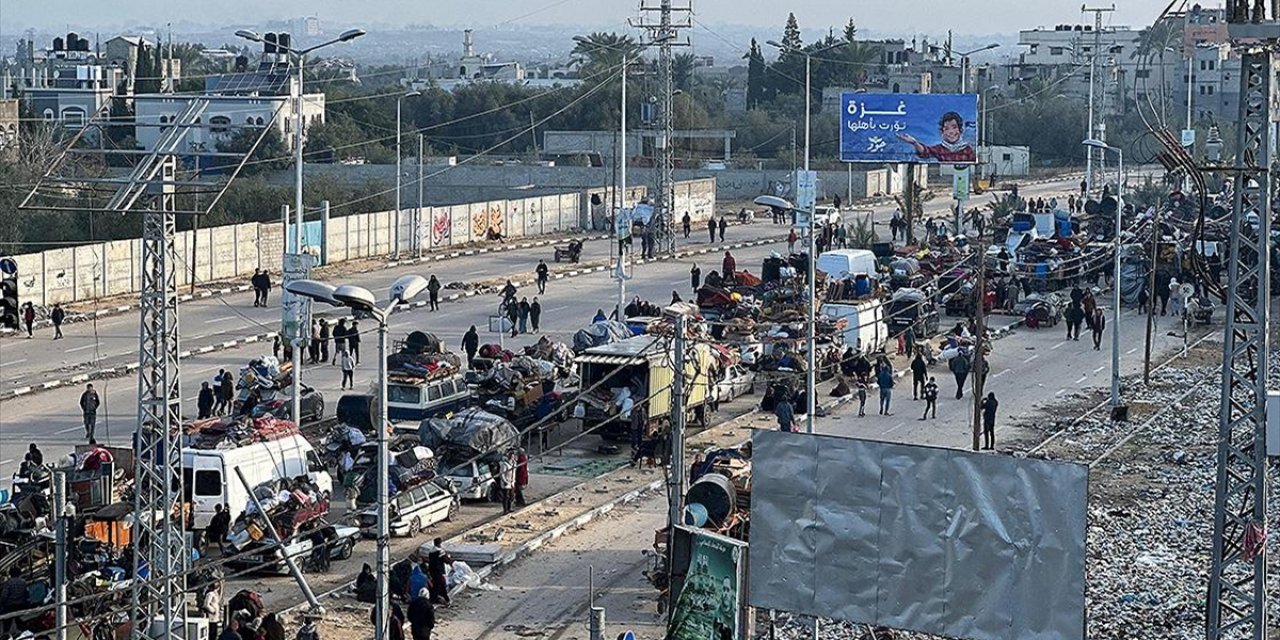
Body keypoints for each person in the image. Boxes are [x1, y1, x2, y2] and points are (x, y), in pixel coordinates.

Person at [897, 111, 975, 162]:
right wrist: (914, 143)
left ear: (960, 130)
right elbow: (925, 152)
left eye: (954, 127)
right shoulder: (939, 149)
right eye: (947, 129)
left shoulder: (967, 150)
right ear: (942, 132)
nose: (951, 132)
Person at [426, 538, 451, 605]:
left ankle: (444, 598)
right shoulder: (440, 551)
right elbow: (446, 560)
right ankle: (442, 599)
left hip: (432, 570)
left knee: (437, 584)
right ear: (440, 543)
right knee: (439, 585)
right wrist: (449, 558)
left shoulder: (431, 551)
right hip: (438, 570)